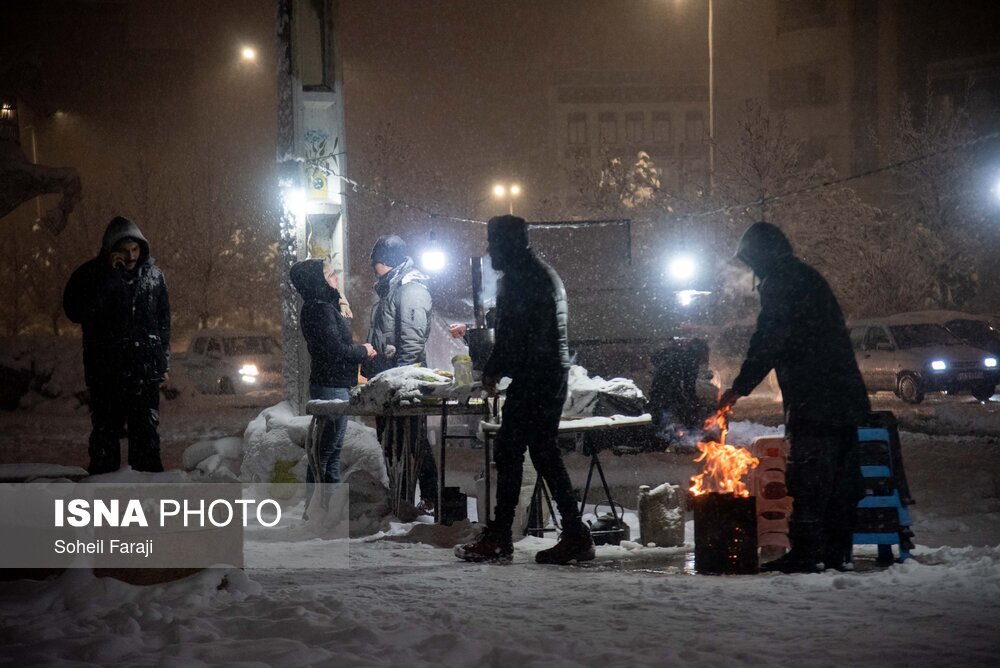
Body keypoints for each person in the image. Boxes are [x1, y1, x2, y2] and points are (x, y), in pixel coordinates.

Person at [718, 221, 870, 573]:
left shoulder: (782, 281)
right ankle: (836, 554)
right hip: (843, 396)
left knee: (809, 477)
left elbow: (769, 339)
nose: (753, 271)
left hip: (816, 398)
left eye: (753, 262)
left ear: (762, 257)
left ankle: (807, 554)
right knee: (839, 481)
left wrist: (738, 388)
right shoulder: (803, 276)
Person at [456, 215, 595, 564]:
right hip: (550, 374)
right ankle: (574, 534)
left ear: (508, 244)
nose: (490, 251)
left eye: (493, 244)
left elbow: (512, 337)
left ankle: (502, 536)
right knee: (543, 452)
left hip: (536, 377)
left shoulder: (520, 279)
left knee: (510, 451)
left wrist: (491, 371)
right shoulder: (542, 274)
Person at [63, 216, 170, 474]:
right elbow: (76, 311)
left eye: (135, 249)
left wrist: (163, 362)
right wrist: (110, 277)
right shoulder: (91, 274)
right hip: (106, 373)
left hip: (144, 373)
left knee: (146, 436)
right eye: (124, 250)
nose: (131, 256)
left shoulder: (154, 276)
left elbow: (163, 321)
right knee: (106, 436)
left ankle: (148, 490)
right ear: (111, 249)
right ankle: (103, 488)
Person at [290, 259, 376, 515]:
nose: (336, 278)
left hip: (333, 383)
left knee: (328, 451)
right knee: (325, 453)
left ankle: (326, 509)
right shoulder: (320, 310)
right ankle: (319, 510)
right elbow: (335, 349)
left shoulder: (322, 306)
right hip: (331, 386)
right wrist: (363, 351)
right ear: (318, 282)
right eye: (330, 275)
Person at [362, 235, 438, 513]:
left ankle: (423, 497)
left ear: (388, 262)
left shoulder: (410, 290)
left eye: (376, 261)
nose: (373, 267)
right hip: (388, 378)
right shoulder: (391, 289)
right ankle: (404, 498)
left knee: (411, 440)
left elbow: (412, 341)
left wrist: (402, 379)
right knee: (395, 441)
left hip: (401, 380)